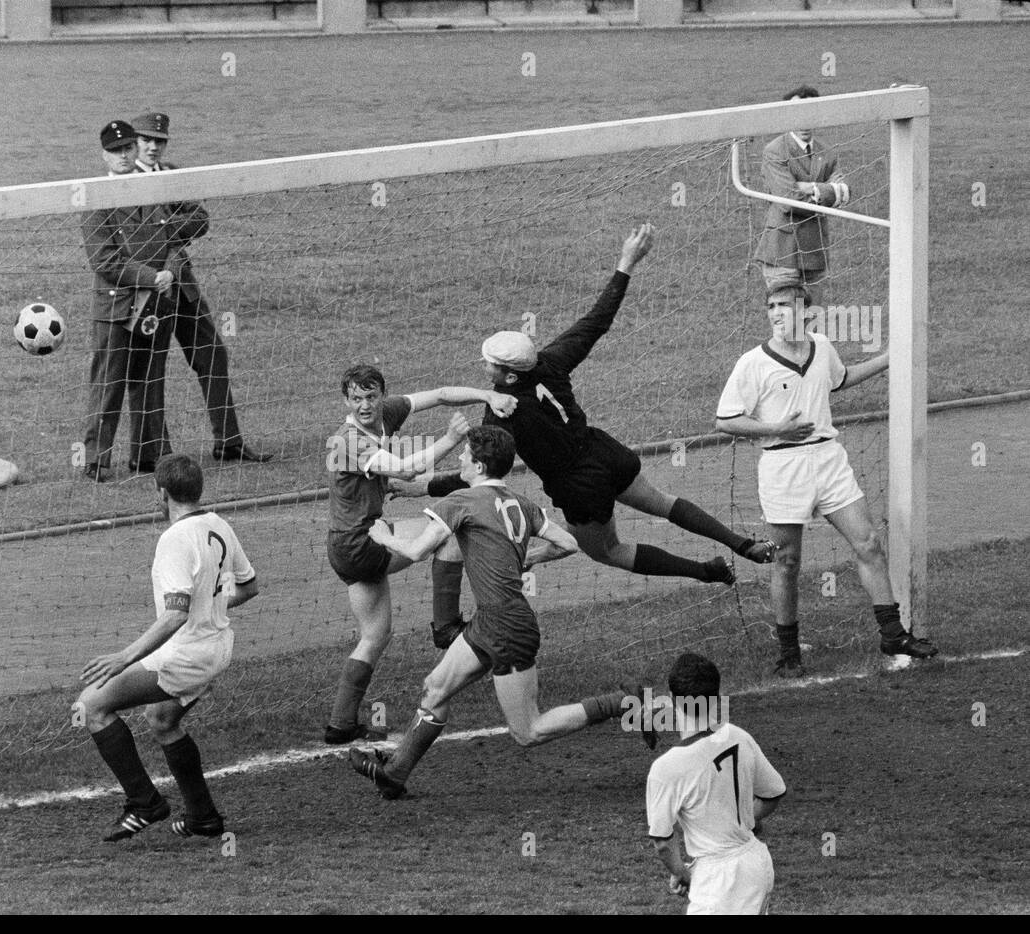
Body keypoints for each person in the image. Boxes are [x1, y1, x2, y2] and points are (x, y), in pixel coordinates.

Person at [396, 225, 776, 649]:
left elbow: (478, 472)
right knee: (665, 505)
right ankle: (742, 544)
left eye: (488, 365)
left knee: (608, 551)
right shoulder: (551, 362)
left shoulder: (501, 411)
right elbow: (597, 320)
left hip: (579, 487)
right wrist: (626, 263)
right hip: (606, 452)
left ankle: (705, 571)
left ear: (506, 374)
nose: (483, 368)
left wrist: (419, 488)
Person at [349, 426, 645, 800]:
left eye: (465, 455)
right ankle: (395, 773)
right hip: (490, 621)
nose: (459, 459)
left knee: (529, 731)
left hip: (506, 626)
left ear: (479, 463)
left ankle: (624, 703)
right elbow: (568, 543)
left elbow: (418, 551)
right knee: (435, 687)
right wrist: (527, 558)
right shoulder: (523, 504)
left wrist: (383, 536)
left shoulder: (461, 501)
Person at [715, 284, 936, 676]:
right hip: (784, 466)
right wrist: (776, 428)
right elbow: (725, 419)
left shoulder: (821, 346)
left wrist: (889, 359)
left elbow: (841, 377)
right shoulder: (752, 363)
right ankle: (788, 653)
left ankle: (892, 633)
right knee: (787, 561)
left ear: (806, 312)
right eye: (771, 306)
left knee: (869, 542)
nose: (776, 313)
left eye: (784, 306)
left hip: (829, 460)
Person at [323, 364, 517, 745]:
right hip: (360, 544)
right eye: (357, 399)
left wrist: (487, 396)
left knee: (375, 636)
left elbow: (442, 393)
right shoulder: (347, 442)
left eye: (371, 396)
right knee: (448, 534)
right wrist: (449, 439)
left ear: (381, 395)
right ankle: (446, 628)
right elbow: (409, 468)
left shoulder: (386, 414)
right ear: (346, 401)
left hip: (347, 545)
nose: (365, 405)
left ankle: (340, 725)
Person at [76, 454, 259, 841]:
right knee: (162, 720)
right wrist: (210, 606)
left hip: (185, 655)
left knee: (91, 706)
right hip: (217, 647)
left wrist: (125, 657)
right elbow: (250, 586)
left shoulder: (174, 539)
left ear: (161, 493)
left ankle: (145, 802)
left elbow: (175, 614)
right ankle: (203, 817)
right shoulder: (218, 524)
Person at [129, 111, 270, 464]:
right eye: (146, 140)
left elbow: (200, 219)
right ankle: (155, 452)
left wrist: (162, 234)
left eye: (159, 141)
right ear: (135, 143)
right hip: (149, 292)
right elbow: (134, 239)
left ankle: (229, 441)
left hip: (183, 286)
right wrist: (168, 237)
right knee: (151, 369)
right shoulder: (123, 182)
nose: (153, 147)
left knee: (212, 354)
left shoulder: (174, 174)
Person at [81, 120, 192, 481]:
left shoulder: (155, 187)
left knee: (151, 379)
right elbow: (104, 260)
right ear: (104, 156)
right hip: (116, 308)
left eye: (128, 148)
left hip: (157, 302)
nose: (124, 155)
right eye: (116, 151)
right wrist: (151, 276)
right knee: (108, 385)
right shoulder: (96, 198)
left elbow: (177, 236)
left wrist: (172, 271)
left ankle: (147, 455)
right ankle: (96, 460)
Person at [645, 652, 786, 915]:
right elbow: (773, 793)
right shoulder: (738, 735)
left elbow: (663, 843)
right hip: (757, 864)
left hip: (720, 881)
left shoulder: (666, 768)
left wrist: (682, 873)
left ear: (673, 701)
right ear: (717, 698)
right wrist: (742, 824)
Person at [753, 85, 851, 308]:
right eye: (798, 115)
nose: (804, 123)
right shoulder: (775, 151)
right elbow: (789, 202)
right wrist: (825, 192)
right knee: (787, 325)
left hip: (815, 252)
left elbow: (844, 192)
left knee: (809, 326)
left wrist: (809, 187)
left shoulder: (827, 152)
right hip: (782, 253)